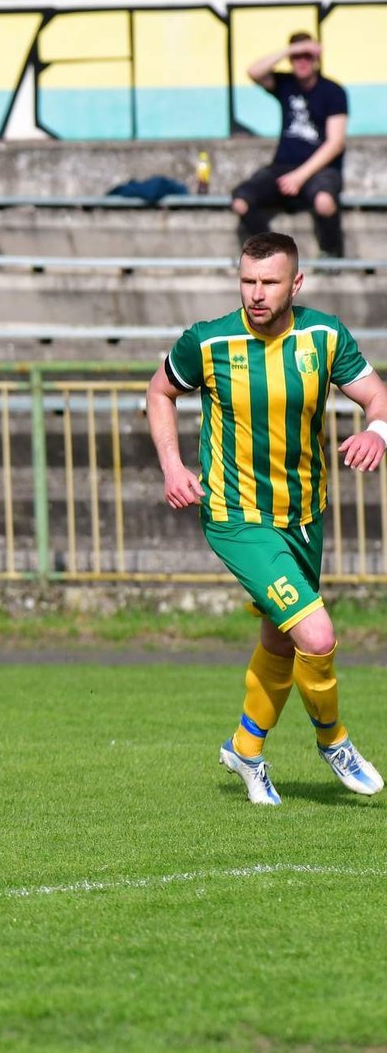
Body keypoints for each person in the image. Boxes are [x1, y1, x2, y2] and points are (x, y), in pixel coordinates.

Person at [146, 230, 385, 806]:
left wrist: (377, 431)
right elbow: (159, 392)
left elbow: (377, 396)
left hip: (303, 517)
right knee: (317, 634)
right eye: (247, 281)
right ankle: (334, 740)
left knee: (281, 640)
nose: (256, 293)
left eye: (269, 282)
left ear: (295, 284)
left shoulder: (324, 336)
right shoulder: (208, 342)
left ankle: (245, 749)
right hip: (237, 518)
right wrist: (173, 467)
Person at [233, 32, 348, 258]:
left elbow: (335, 143)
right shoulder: (286, 84)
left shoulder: (333, 91)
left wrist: (300, 176)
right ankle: (271, 254)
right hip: (283, 166)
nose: (301, 61)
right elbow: (253, 71)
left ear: (316, 59)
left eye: (307, 56)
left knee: (324, 201)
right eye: (296, 57)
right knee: (241, 201)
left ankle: (331, 256)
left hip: (319, 169)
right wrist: (290, 50)